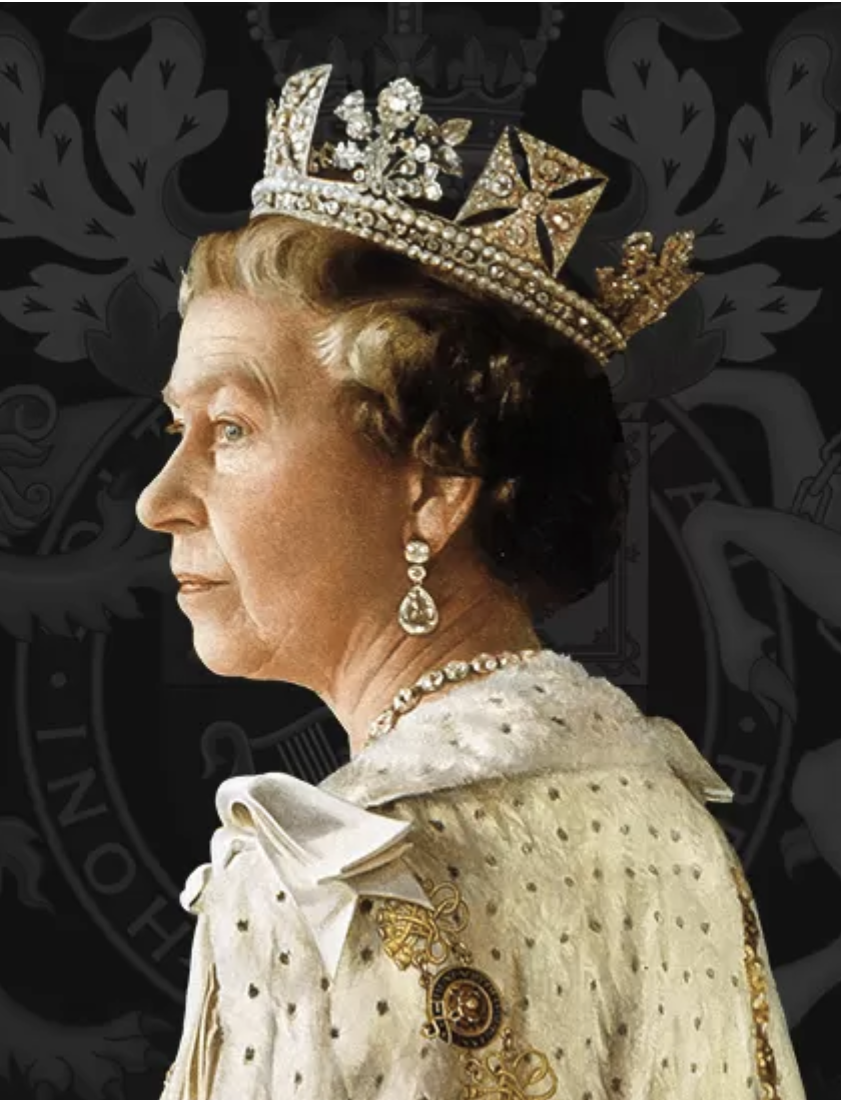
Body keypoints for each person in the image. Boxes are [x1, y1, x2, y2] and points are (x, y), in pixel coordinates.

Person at [137, 63, 805, 1100]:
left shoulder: (318, 880)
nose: (160, 499)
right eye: (174, 428)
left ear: (435, 486)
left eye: (229, 428)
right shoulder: (672, 823)